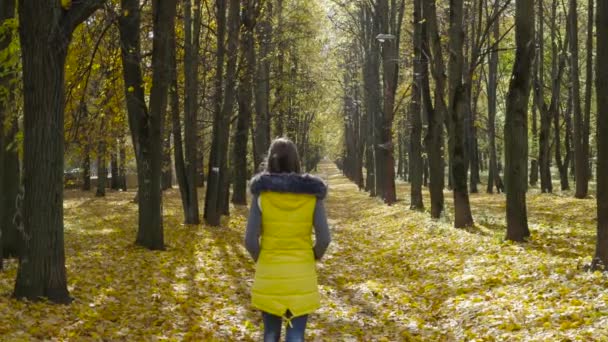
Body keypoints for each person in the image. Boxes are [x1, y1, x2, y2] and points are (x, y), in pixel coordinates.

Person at [245, 138, 331, 342]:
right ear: (296, 161)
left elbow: (250, 240)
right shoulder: (311, 195)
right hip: (301, 273)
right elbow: (324, 239)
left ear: (270, 161)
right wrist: (312, 256)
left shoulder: (262, 195)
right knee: (296, 335)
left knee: (270, 334)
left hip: (270, 272)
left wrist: (262, 258)